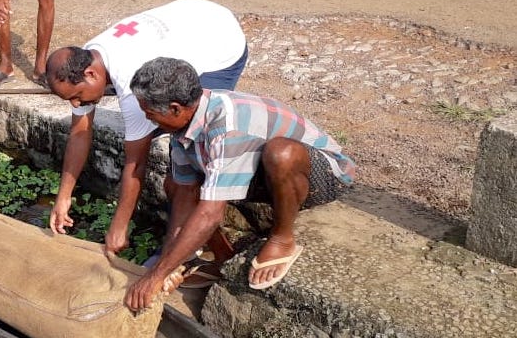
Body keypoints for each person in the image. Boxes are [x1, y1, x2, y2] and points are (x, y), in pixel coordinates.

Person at [123, 57, 355, 311]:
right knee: (174, 185)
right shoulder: (185, 126)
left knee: (281, 153)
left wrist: (155, 276)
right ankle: (223, 259)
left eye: (151, 114)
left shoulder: (227, 128)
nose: (149, 120)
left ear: (176, 108)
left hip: (319, 175)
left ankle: (282, 238)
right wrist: (165, 266)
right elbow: (184, 196)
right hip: (262, 173)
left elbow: (211, 214)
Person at [45, 0, 249, 261]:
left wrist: (119, 227)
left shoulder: (131, 88)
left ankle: (187, 248)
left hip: (220, 41)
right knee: (159, 132)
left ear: (91, 75)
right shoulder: (85, 58)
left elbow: (136, 162)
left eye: (77, 96)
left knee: (185, 148)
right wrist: (63, 197)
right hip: (192, 17)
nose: (76, 104)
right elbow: (80, 131)